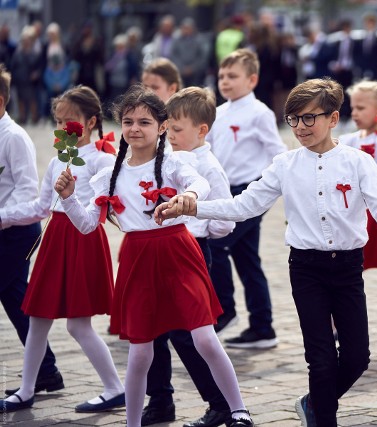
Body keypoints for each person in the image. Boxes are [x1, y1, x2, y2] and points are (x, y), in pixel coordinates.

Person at [155, 77, 377, 427]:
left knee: (356, 357)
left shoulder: (357, 162)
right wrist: (193, 208)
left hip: (349, 267)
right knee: (319, 359)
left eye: (310, 118)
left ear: (333, 119)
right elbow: (244, 205)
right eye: (293, 119)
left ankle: (314, 403)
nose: (301, 127)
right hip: (306, 267)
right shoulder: (284, 164)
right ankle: (323, 419)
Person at [53, 84, 254, 427]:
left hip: (178, 251)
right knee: (141, 351)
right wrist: (70, 198)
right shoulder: (109, 176)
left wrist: (186, 197)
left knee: (203, 336)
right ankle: (133, 422)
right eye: (128, 121)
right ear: (120, 125)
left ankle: (238, 410)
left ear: (161, 127)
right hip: (137, 259)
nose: (135, 128)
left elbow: (200, 184)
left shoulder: (176, 162)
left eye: (144, 122)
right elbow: (87, 225)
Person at [0, 85, 125, 413]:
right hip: (55, 239)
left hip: (82, 242)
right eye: (58, 121)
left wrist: (69, 196)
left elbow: (92, 220)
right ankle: (27, 389)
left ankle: (115, 387)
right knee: (37, 316)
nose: (62, 128)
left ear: (90, 121)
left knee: (77, 325)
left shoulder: (103, 160)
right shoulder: (59, 160)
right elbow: (41, 207)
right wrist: (3, 216)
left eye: (69, 121)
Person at [141, 86, 236, 427]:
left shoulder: (208, 166)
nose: (171, 135)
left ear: (201, 130)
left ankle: (221, 402)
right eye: (168, 128)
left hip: (192, 251)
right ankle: (160, 398)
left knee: (187, 331)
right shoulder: (164, 157)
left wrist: (203, 235)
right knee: (151, 326)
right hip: (156, 249)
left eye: (177, 129)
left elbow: (225, 218)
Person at [205, 48, 287, 346]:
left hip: (251, 193)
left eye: (233, 76)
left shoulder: (260, 113)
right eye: (222, 76)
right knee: (247, 258)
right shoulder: (218, 112)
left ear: (252, 80)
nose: (225, 81)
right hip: (226, 193)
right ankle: (262, 327)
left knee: (216, 244)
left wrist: (269, 187)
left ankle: (224, 310)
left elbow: (277, 153)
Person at [0, 64, 63, 403]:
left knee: (14, 297)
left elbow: (27, 194)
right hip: (3, 229)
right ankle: (47, 371)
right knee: (15, 299)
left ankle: (46, 371)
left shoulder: (14, 138)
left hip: (17, 232)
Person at [339, 80, 377, 269]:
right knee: (355, 260)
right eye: (353, 107)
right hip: (360, 209)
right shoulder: (349, 140)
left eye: (361, 108)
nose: (354, 113)